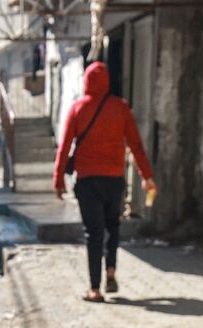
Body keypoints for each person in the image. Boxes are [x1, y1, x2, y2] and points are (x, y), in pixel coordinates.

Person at [53, 61, 155, 303]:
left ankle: (95, 289)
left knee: (94, 233)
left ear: (86, 81)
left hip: (87, 182)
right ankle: (111, 271)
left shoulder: (78, 109)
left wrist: (58, 179)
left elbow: (65, 147)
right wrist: (147, 176)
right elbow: (136, 145)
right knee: (113, 227)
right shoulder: (121, 109)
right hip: (114, 181)